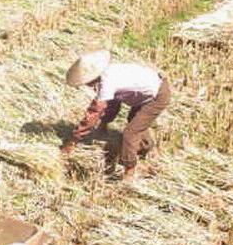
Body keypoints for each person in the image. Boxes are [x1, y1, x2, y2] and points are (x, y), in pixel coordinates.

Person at [60, 50, 170, 182]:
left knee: (130, 132)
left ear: (92, 77)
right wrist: (103, 124)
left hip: (157, 96)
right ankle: (145, 146)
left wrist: (73, 140)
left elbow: (94, 111)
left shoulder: (108, 82)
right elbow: (112, 105)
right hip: (148, 91)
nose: (87, 85)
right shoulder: (109, 73)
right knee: (134, 122)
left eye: (87, 82)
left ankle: (129, 172)